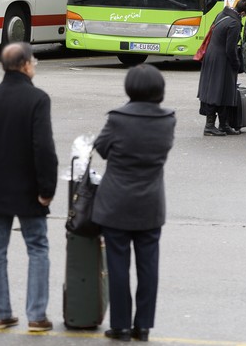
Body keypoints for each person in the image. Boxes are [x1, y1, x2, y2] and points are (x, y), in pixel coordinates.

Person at [0, 42, 58, 333]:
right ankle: (36, 315)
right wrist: (47, 189)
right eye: (33, 61)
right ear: (25, 65)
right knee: (38, 247)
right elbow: (43, 148)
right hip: (30, 188)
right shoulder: (37, 99)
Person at [92, 64, 175, 342]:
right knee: (148, 267)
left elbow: (101, 148)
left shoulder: (117, 118)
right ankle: (143, 326)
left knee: (118, 267)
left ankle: (121, 327)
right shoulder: (168, 120)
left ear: (130, 88)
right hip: (150, 204)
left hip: (115, 202)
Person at [197, 0, 245, 136]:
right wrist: (237, 64)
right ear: (243, 12)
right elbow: (231, 49)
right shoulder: (234, 23)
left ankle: (223, 124)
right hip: (222, 61)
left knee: (221, 91)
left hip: (212, 57)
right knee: (217, 91)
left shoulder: (221, 15)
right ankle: (211, 126)